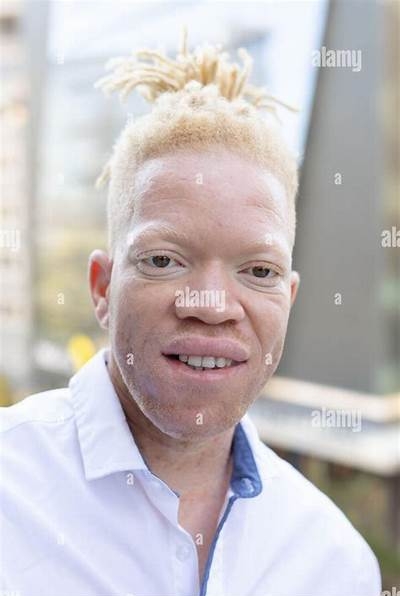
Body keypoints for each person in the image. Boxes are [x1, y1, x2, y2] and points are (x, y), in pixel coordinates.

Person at [0, 29, 381, 596]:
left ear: (290, 300)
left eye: (259, 271)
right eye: (164, 260)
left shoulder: (333, 563)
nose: (212, 306)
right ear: (102, 288)